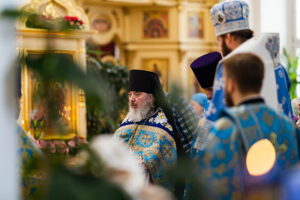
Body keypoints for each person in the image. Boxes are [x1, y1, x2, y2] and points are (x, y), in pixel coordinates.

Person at [194, 53, 299, 199]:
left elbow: (208, 183)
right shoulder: (286, 124)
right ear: (261, 81)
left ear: (229, 84)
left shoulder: (225, 127)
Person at [206, 0, 291, 121]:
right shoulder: (277, 65)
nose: (219, 48)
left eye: (219, 41)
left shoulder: (229, 68)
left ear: (228, 37)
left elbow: (217, 118)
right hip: (282, 135)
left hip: (246, 138)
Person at [114, 70, 182, 191]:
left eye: (137, 94)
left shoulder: (162, 123)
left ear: (151, 97)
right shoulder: (130, 118)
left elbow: (158, 153)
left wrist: (141, 162)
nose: (132, 99)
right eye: (129, 95)